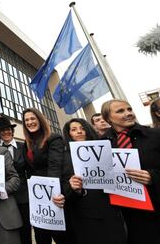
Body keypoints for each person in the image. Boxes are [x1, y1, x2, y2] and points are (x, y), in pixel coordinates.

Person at [101, 99, 160, 244]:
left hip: (156, 210)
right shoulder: (101, 145)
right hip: (126, 218)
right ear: (107, 118)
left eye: (129, 109)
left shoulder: (155, 135)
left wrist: (153, 177)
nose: (128, 113)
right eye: (120, 111)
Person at [62, 118, 126, 244]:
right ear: (69, 134)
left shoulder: (105, 148)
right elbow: (65, 186)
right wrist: (74, 188)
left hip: (111, 207)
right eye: (74, 130)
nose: (79, 132)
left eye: (82, 128)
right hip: (84, 212)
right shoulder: (65, 157)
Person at [21, 108, 68, 244]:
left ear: (40, 120)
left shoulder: (53, 138)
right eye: (27, 120)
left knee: (61, 237)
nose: (30, 122)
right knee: (41, 237)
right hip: (37, 200)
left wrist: (52, 193)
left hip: (53, 196)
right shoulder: (26, 144)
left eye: (33, 119)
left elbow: (55, 167)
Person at [0, 116, 31, 244]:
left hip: (22, 196)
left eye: (8, 129)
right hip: (3, 196)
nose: (5, 132)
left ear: (12, 130)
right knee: (8, 232)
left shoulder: (23, 146)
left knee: (25, 230)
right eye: (2, 130)